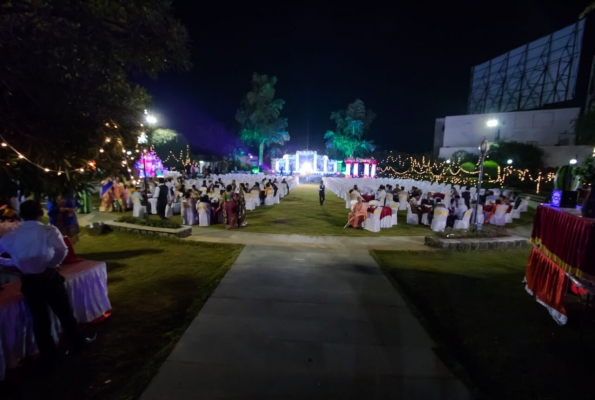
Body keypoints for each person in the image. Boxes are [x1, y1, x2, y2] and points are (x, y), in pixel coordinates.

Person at [0, 201, 94, 367]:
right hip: (49, 277)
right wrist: (51, 265)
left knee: (39, 319)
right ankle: (78, 341)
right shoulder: (48, 230)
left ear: (22, 215)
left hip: (29, 280)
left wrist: (15, 263)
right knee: (64, 312)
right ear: (40, 213)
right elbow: (62, 250)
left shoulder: (10, 237)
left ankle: (48, 355)